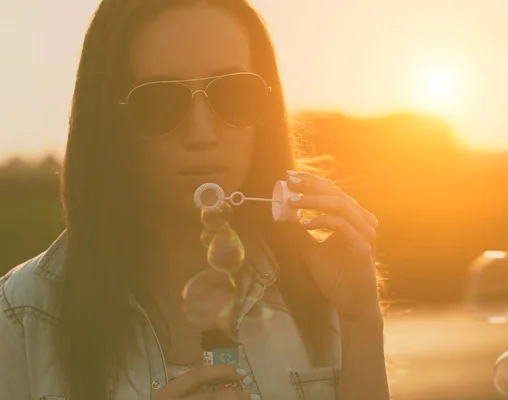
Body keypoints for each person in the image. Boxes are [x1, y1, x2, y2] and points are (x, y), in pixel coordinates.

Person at [0, 0, 389, 399]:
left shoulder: (327, 289)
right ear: (110, 123)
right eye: (159, 102)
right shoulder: (20, 316)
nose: (201, 133)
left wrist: (362, 323)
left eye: (234, 93)